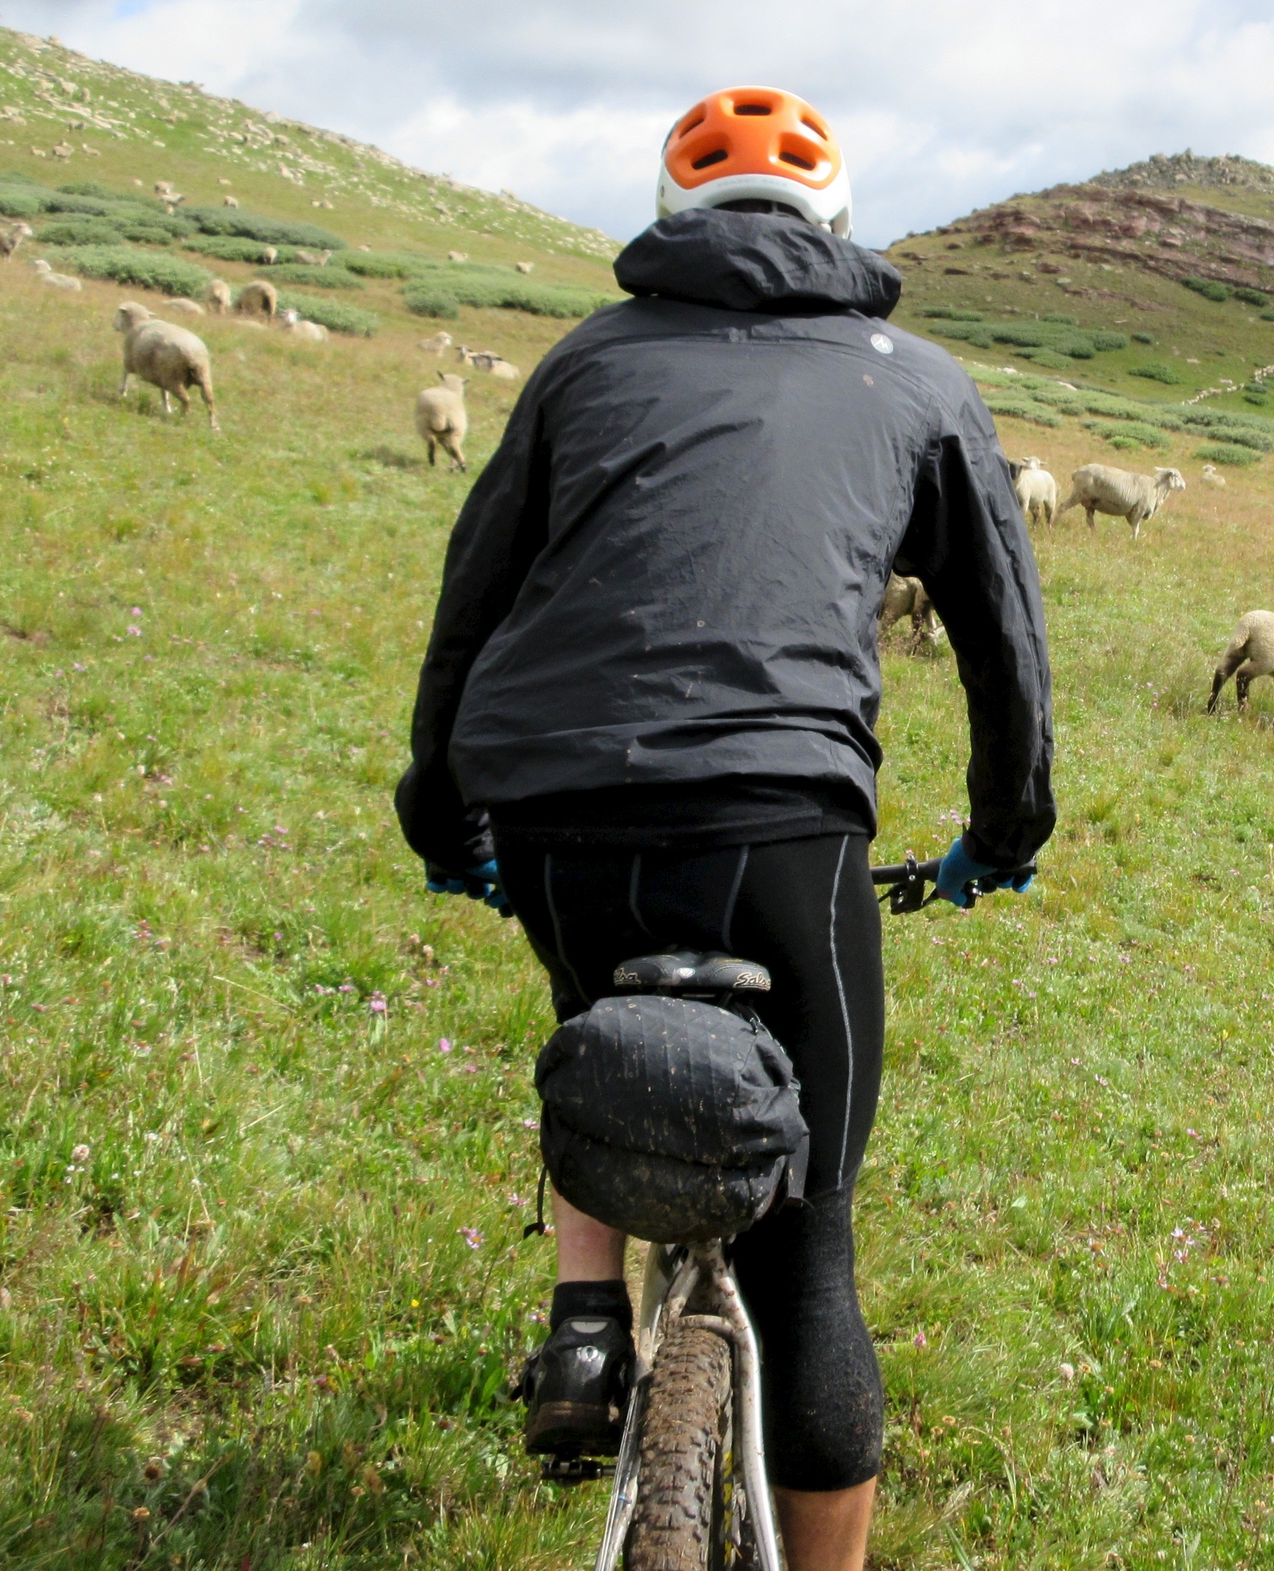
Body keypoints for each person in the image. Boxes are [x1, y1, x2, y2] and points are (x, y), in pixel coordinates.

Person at [396, 85, 1055, 1571]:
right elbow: (1003, 643)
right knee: (808, 1258)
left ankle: (583, 1320)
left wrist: (445, 815)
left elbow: (471, 601)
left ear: (670, 214)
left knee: (591, 1017)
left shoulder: (583, 361)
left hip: (556, 811)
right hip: (781, 828)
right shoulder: (919, 380)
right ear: (833, 218)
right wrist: (1005, 833)